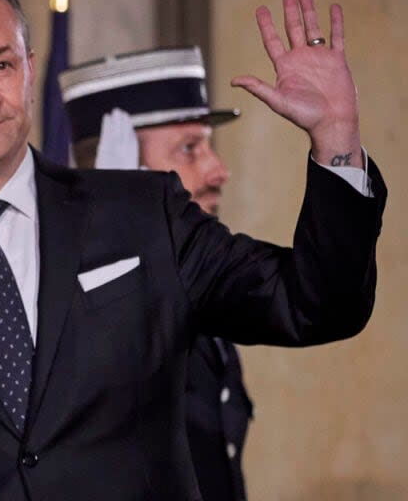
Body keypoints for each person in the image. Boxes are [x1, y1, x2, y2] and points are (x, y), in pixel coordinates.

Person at [0, 0, 385, 500]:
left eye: (2, 65)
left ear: (30, 72)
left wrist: (337, 138)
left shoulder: (144, 215)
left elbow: (314, 304)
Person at [59, 46, 256, 500]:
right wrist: (114, 226)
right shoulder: (64, 291)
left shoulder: (195, 272)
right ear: (126, 165)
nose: (218, 171)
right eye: (190, 149)